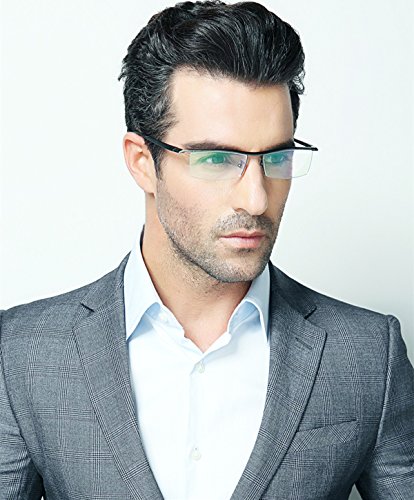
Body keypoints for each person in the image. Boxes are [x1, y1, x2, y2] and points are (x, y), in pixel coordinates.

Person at [1, 0, 413, 498]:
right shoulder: (22, 352)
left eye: (276, 157)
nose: (256, 199)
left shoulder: (369, 355)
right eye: (218, 159)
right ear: (142, 162)